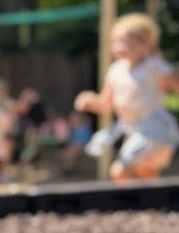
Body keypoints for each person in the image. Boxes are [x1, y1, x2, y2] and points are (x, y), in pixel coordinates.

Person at [75, 13, 179, 181]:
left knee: (120, 171)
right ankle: (153, 198)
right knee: (144, 172)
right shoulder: (116, 71)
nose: (119, 47)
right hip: (134, 130)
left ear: (145, 44)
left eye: (127, 43)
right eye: (115, 42)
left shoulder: (153, 67)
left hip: (155, 129)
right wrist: (89, 101)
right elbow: (106, 104)